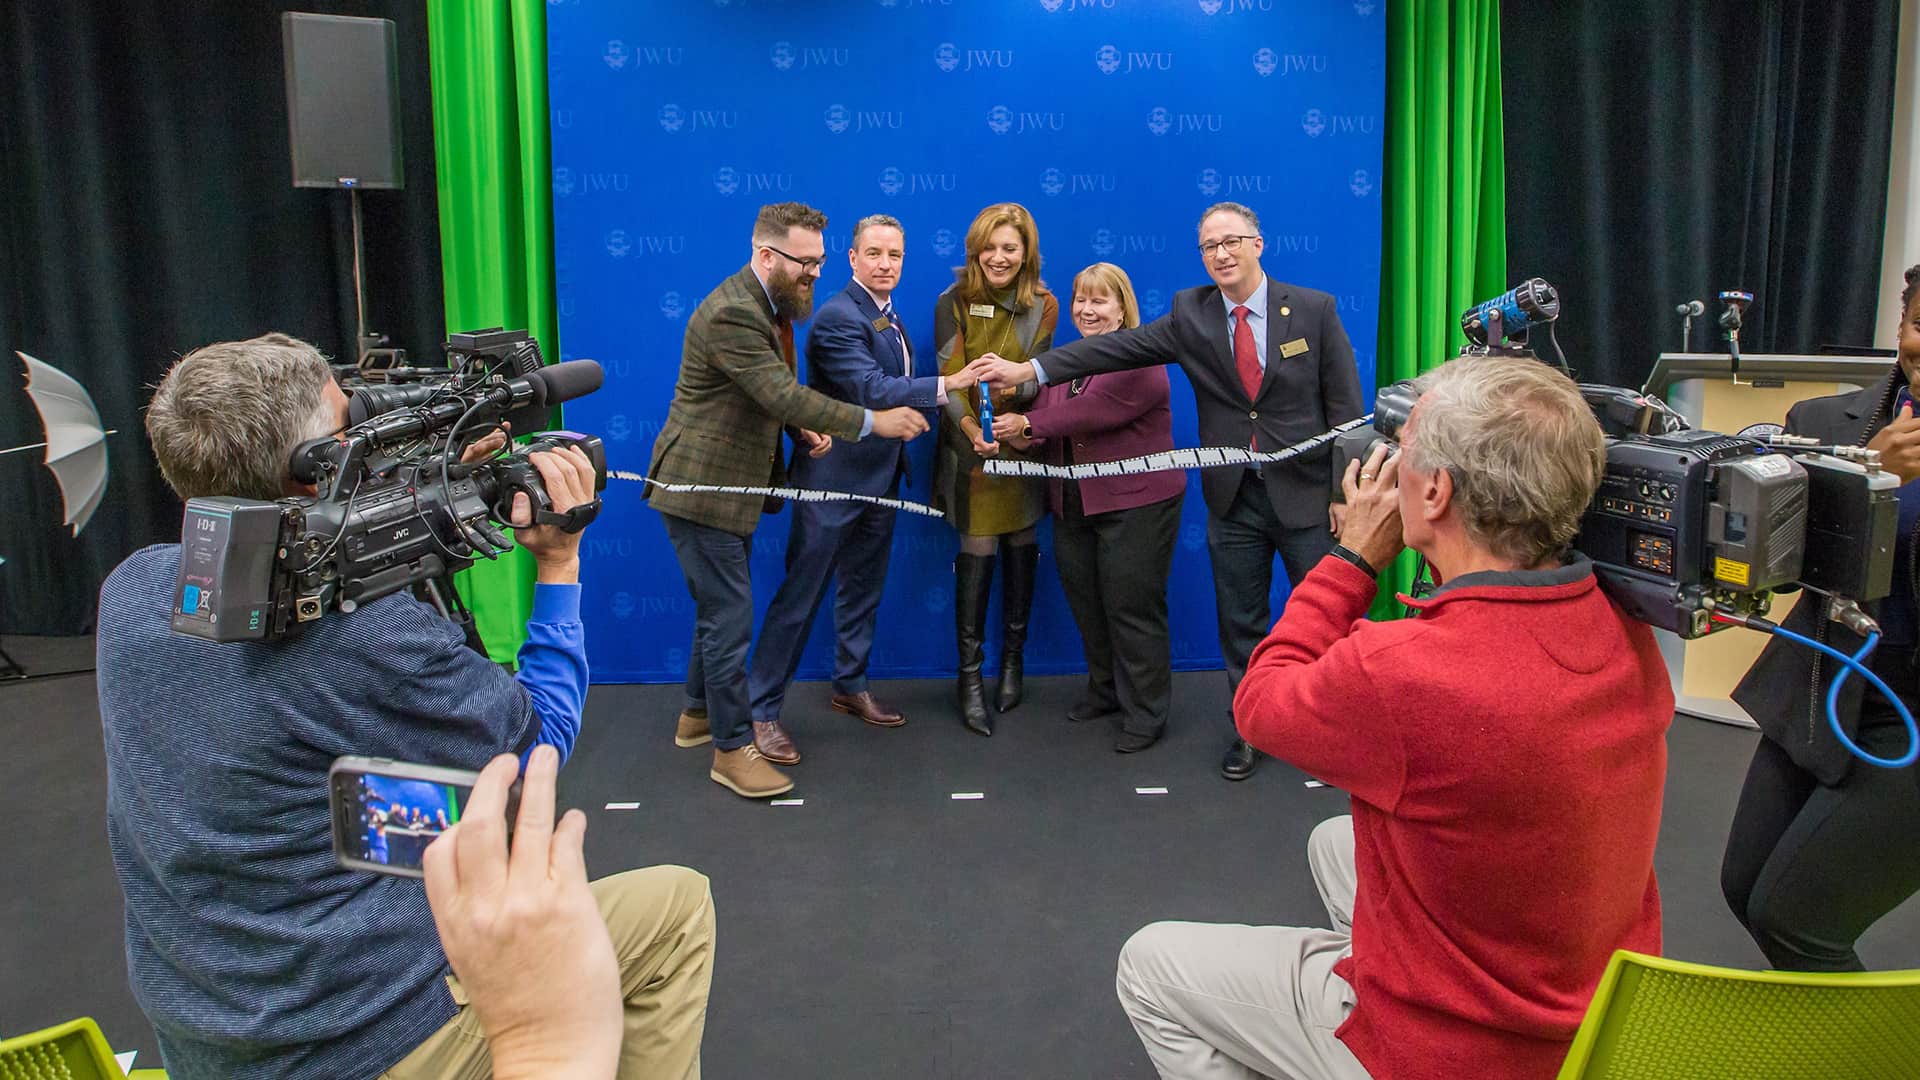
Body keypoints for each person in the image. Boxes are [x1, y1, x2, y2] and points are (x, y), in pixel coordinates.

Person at [98, 333, 715, 1079]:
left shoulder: (131, 591)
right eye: (347, 424)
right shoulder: (365, 631)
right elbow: (540, 742)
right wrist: (559, 563)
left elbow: (294, 722)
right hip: (356, 1046)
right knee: (678, 908)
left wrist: (432, 475)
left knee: (415, 819)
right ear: (311, 473)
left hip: (210, 1037)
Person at [1114, 356, 1673, 1079]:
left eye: (1400, 455)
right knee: (1334, 841)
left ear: (1435, 490)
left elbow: (1261, 703)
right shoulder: (1625, 626)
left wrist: (1350, 558)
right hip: (1597, 1024)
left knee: (1150, 967)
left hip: (1453, 1054)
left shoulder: (1402, 670)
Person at [965, 202, 1364, 779]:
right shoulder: (1191, 314)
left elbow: (1347, 411)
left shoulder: (1314, 310)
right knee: (1242, 625)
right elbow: (1111, 349)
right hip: (1233, 501)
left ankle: (1338, 734)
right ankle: (1251, 730)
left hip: (1308, 498)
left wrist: (1344, 493)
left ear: (1259, 244)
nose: (1221, 254)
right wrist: (1030, 373)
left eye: (1232, 242)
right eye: (1209, 246)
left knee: (1328, 618)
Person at [647, 202, 931, 795]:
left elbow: (763, 396)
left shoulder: (766, 306)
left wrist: (798, 428)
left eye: (820, 262)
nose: (815, 274)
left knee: (717, 612)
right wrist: (872, 424)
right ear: (766, 255)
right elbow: (780, 390)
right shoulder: (733, 312)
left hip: (732, 488)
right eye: (807, 263)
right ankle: (732, 748)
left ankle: (695, 718)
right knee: (730, 618)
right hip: (702, 487)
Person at [1725, 263, 1920, 972]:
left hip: (1913, 722)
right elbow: (1773, 575)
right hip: (1822, 692)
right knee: (1743, 889)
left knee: (1796, 918)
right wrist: (1867, 476)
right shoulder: (1821, 424)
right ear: (1900, 325)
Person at [745, 213, 981, 735]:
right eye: (874, 253)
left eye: (894, 255)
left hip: (881, 480)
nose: (885, 264)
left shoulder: (888, 316)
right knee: (800, 601)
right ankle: (760, 713)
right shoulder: (836, 316)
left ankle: (850, 686)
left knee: (863, 590)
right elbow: (871, 390)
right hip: (832, 483)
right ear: (852, 259)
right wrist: (951, 383)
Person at [990, 262, 1184, 752]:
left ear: (1122, 309)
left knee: (1131, 608)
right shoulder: (1068, 360)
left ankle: (1146, 713)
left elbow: (1091, 414)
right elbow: (1049, 422)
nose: (1086, 309)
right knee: (1089, 606)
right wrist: (1005, 431)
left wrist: (1027, 426)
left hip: (1136, 504)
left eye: (1099, 301)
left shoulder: (1142, 359)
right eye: (1080, 299)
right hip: (1074, 504)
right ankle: (1106, 691)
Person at [424, 749, 625, 1080]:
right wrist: (542, 1050)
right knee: (678, 912)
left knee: (678, 897)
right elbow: (510, 724)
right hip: (397, 1025)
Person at [933, 201, 1055, 735]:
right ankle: (969, 678)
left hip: (1022, 442)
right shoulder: (952, 301)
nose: (1000, 257)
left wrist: (1015, 402)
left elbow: (1042, 376)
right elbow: (948, 380)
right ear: (974, 251)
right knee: (978, 547)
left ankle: (1013, 662)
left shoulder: (1045, 304)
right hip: (969, 447)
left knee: (1022, 544)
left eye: (1011, 247)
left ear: (1026, 252)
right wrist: (971, 432)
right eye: (991, 247)